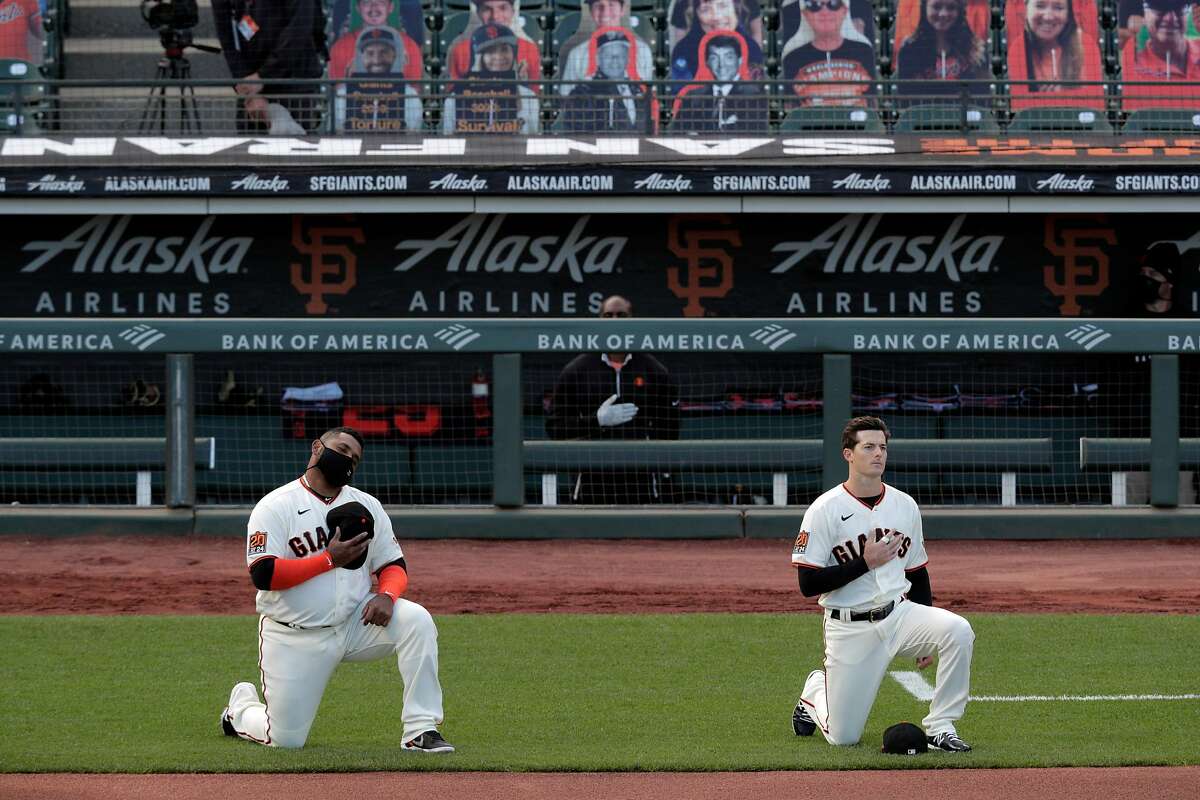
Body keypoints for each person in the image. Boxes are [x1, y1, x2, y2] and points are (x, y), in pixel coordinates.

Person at [221, 426, 453, 752]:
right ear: (317, 447)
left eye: (355, 459)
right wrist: (329, 559)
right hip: (295, 635)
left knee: (416, 620)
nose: (348, 460)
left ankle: (420, 730)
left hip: (354, 623)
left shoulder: (366, 505)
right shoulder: (275, 506)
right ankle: (240, 710)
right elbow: (264, 574)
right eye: (342, 449)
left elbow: (393, 566)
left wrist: (387, 595)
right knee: (285, 740)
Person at [790, 416, 975, 752]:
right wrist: (865, 562)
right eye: (869, 447)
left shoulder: (905, 505)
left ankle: (941, 725)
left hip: (899, 616)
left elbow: (917, 572)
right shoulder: (824, 510)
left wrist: (923, 638)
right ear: (848, 454)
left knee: (957, 630)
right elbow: (807, 582)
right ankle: (815, 691)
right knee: (844, 737)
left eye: (883, 447)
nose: (878, 454)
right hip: (850, 628)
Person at [545, 295, 681, 504]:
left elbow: (669, 428)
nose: (615, 320)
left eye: (621, 315)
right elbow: (555, 427)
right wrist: (596, 421)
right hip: (592, 477)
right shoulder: (576, 370)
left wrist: (653, 458)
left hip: (640, 478)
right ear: (599, 319)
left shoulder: (654, 370)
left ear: (632, 320)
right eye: (608, 315)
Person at [212, 0, 326, 133]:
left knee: (295, 145)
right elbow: (227, 38)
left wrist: (263, 76)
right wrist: (248, 89)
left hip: (294, 81)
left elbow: (298, 30)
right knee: (247, 146)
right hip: (251, 84)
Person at [443, 23, 540, 133]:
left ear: (513, 53)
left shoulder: (529, 97)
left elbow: (533, 141)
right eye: (490, 51)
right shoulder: (454, 98)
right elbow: (448, 141)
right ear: (478, 57)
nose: (498, 57)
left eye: (504, 49)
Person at [782, 0, 878, 106]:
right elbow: (789, 108)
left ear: (845, 10)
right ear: (805, 13)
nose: (824, 11)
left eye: (834, 4)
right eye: (814, 6)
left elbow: (873, 103)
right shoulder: (792, 57)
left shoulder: (863, 51)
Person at [671, 30, 769, 132]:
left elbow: (756, 132)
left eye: (728, 57)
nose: (721, 65)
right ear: (707, 62)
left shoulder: (754, 95)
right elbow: (679, 131)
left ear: (740, 60)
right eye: (714, 58)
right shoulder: (692, 96)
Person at [561, 27, 655, 133]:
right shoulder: (583, 93)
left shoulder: (638, 90)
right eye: (608, 56)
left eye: (620, 55)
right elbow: (574, 130)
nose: (614, 60)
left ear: (628, 59)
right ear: (598, 59)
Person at [338, 26, 425, 133]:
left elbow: (411, 131)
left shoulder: (409, 94)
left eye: (384, 52)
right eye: (370, 53)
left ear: (395, 56)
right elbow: (338, 130)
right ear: (361, 57)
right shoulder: (343, 93)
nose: (376, 60)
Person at [558, 0, 656, 95]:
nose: (605, 11)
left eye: (611, 4)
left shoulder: (642, 50)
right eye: (597, 5)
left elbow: (649, 98)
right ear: (591, 11)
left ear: (622, 10)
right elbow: (565, 99)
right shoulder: (577, 53)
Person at [895, 0, 989, 96]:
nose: (943, 14)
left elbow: (982, 96)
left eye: (951, 8)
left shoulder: (976, 50)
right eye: (936, 7)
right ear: (924, 9)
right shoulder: (909, 51)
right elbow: (905, 97)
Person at [669, 0, 765, 85]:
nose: (717, 16)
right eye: (705, 9)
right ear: (695, 14)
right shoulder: (684, 51)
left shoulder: (752, 50)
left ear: (736, 8)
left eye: (723, 6)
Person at [327, 0, 424, 80]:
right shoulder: (340, 47)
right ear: (358, 8)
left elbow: (414, 92)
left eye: (381, 2)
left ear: (391, 7)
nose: (373, 8)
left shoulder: (410, 46)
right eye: (366, 3)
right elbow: (338, 94)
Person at [447, 0, 542, 81]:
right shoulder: (460, 50)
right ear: (478, 12)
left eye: (503, 8)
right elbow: (452, 97)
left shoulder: (529, 49)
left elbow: (534, 97)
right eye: (487, 9)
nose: (495, 16)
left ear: (513, 11)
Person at [1121, 0, 1200, 82]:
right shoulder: (1134, 66)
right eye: (1159, 8)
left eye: (1179, 8)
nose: (1170, 18)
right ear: (1144, 14)